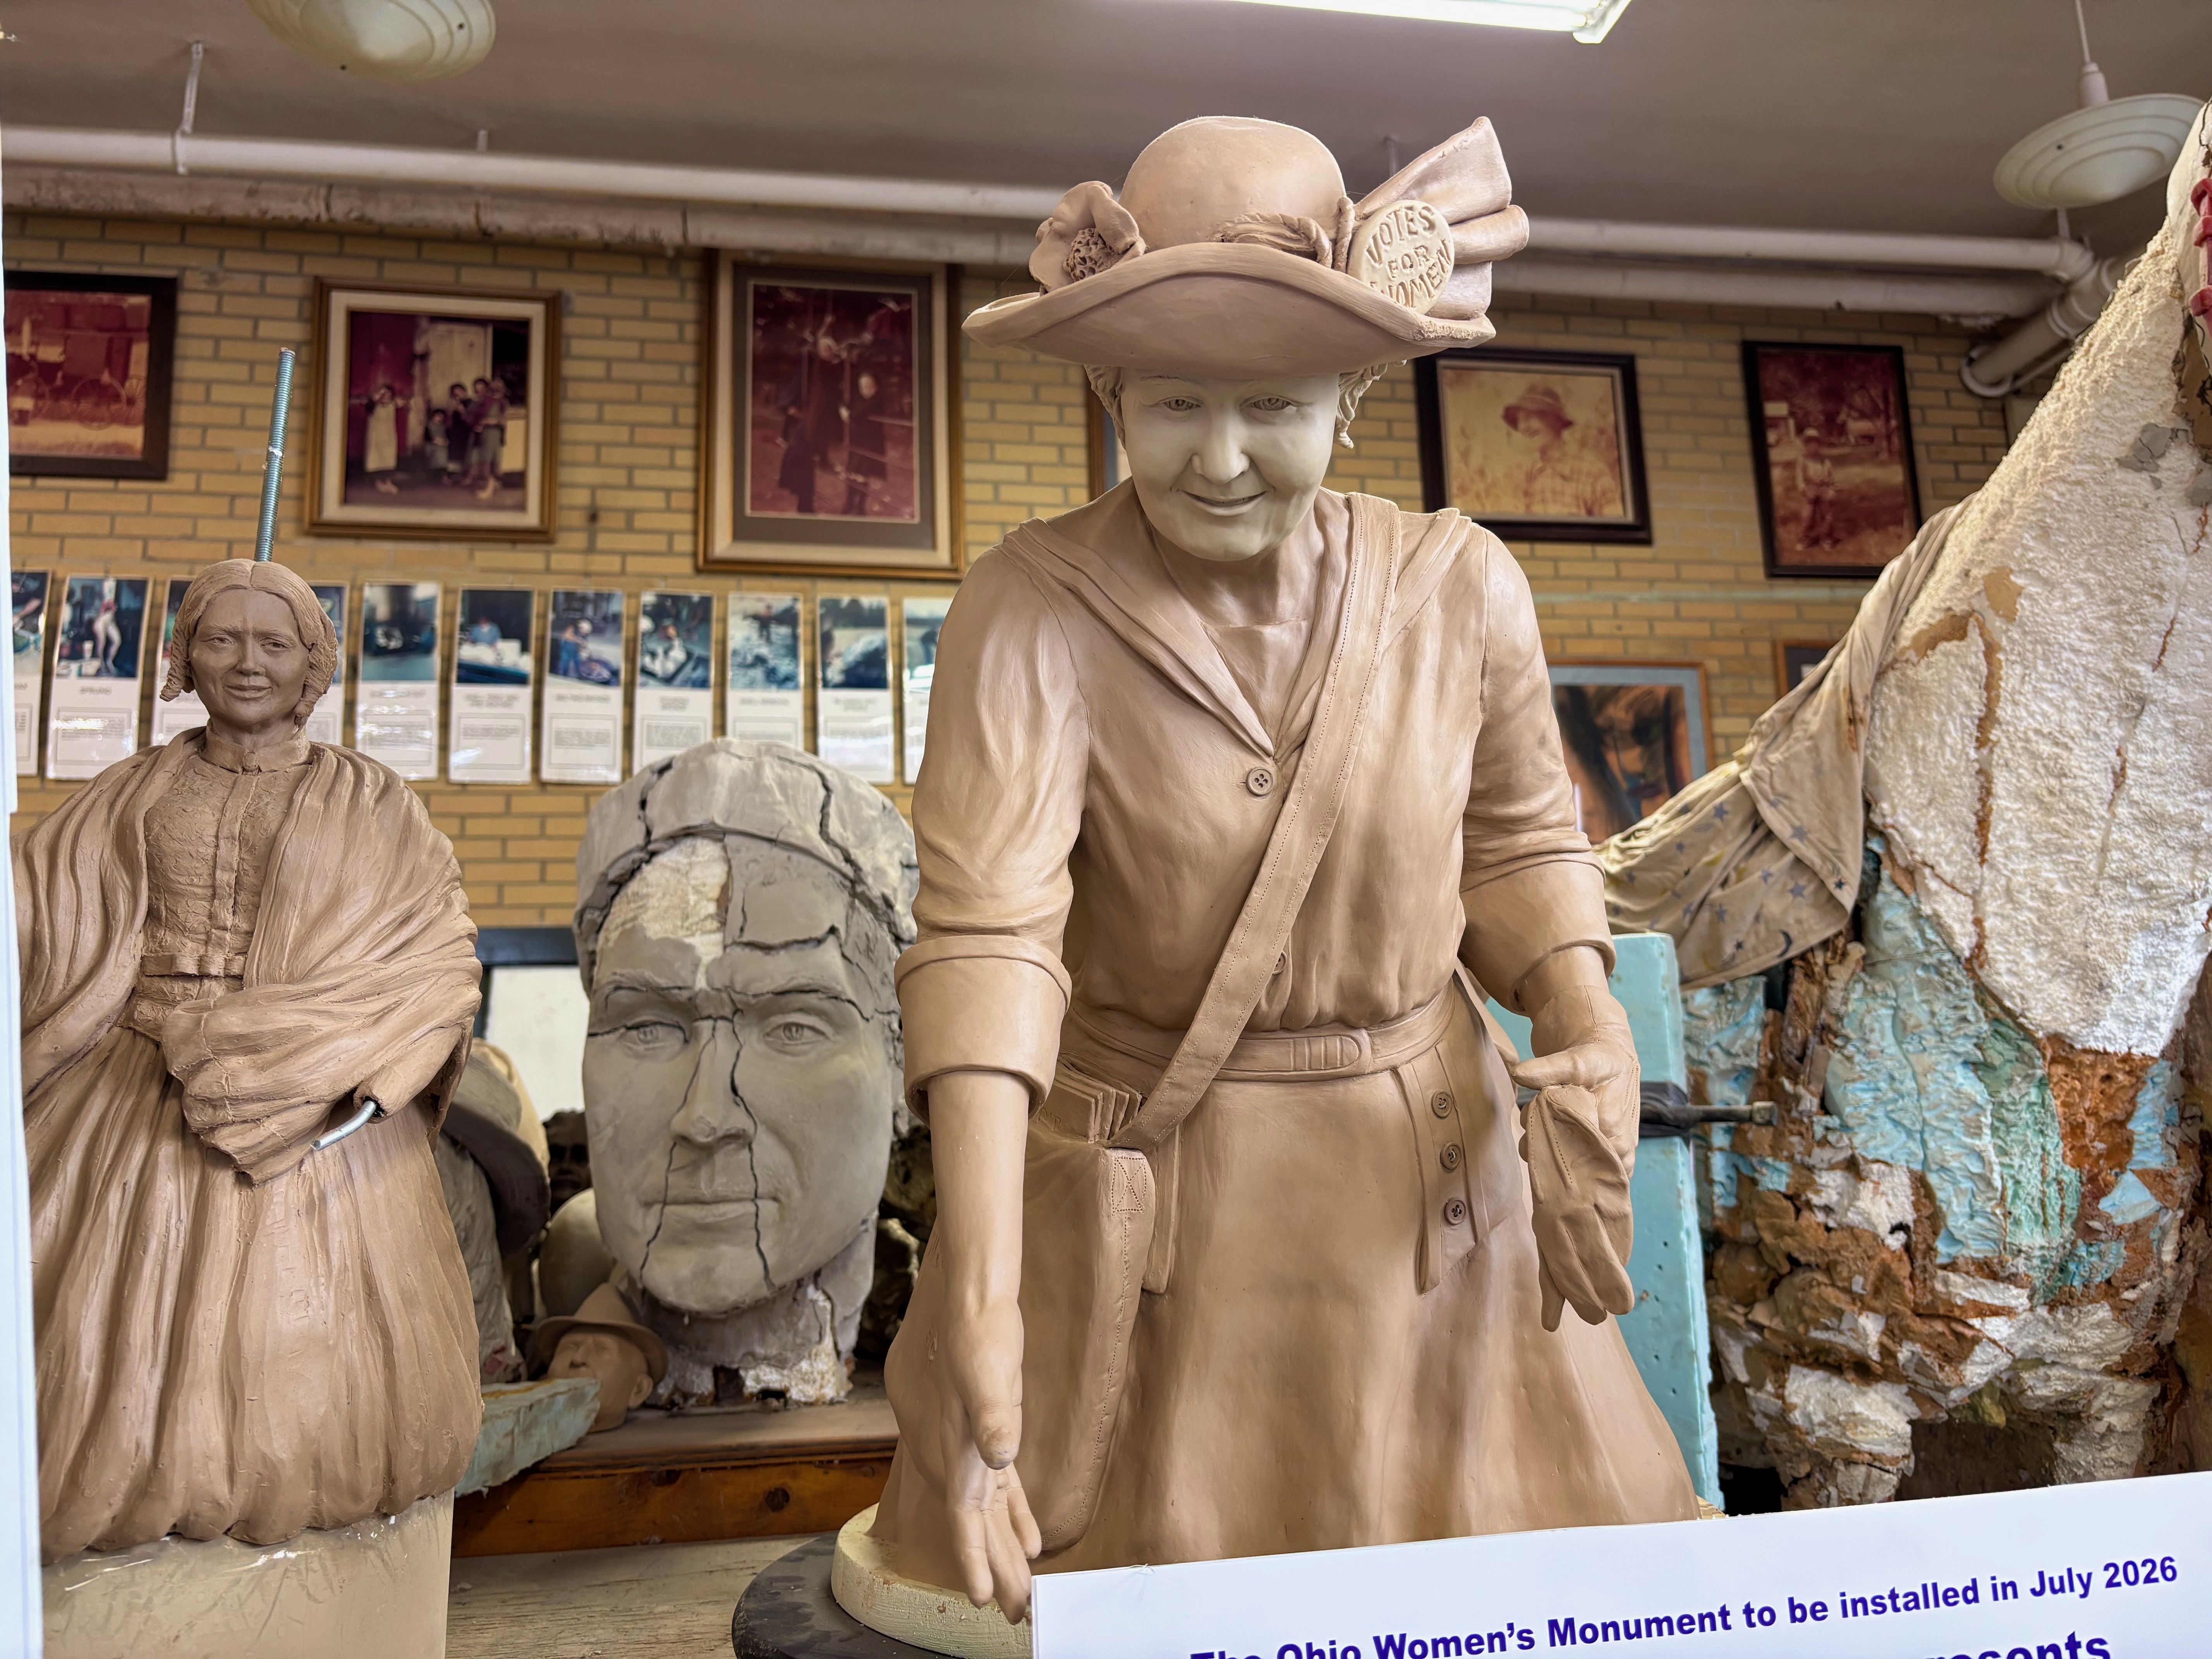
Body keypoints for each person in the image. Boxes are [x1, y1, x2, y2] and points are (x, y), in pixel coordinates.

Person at [867, 115, 1697, 1627]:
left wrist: (1591, 1035)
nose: (1225, 455)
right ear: (1109, 391)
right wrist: (985, 1294)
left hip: (1439, 1206)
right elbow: (990, 942)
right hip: (1169, 1212)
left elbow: (1518, 844)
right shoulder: (1032, 610)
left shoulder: (1462, 588)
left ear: (1354, 396)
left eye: (1276, 404)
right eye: (1176, 401)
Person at [20, 558, 483, 1560]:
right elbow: (40, 906)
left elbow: (437, 953)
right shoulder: (129, 790)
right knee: (85, 1324)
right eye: (221, 638)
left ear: (313, 666)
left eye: (274, 643)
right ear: (185, 654)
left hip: (307, 1105)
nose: (246, 662)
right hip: (132, 1079)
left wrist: (337, 1055)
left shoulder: (376, 802)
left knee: (303, 1363)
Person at [1501, 383, 1619, 518]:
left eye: (1529, 418)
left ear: (1553, 420)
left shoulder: (1593, 474)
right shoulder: (1522, 475)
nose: (1523, 428)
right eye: (1519, 421)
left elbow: (1616, 530)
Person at [1795, 428, 1839, 551]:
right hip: (1810, 490)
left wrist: (1833, 489)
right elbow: (1799, 479)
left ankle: (1827, 539)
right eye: (1809, 444)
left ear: (1819, 445)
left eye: (1815, 443)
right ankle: (1806, 539)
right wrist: (1804, 490)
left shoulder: (1824, 461)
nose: (1813, 447)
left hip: (1824, 489)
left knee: (1827, 516)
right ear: (1805, 445)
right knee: (1808, 516)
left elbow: (1832, 477)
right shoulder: (1802, 460)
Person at [364, 383, 401, 495]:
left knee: (389, 459)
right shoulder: (374, 406)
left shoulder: (393, 405)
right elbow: (369, 406)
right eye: (384, 393)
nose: (386, 396)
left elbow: (404, 402)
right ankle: (379, 483)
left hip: (389, 437)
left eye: (389, 393)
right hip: (376, 438)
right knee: (376, 459)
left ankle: (388, 482)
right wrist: (378, 396)